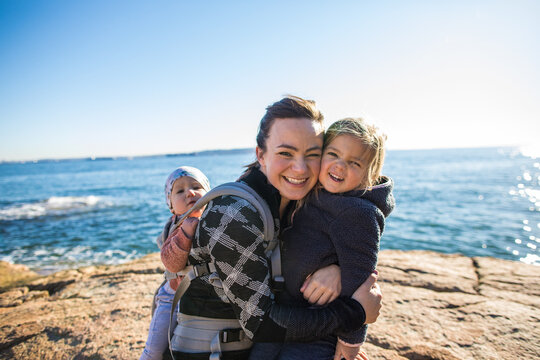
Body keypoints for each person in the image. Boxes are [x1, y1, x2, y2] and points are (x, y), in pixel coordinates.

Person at [169, 96, 383, 360]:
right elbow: (263, 324)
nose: (301, 168)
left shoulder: (297, 197)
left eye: (313, 154)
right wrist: (355, 313)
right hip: (211, 351)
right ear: (261, 155)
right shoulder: (234, 213)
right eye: (285, 153)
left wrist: (338, 269)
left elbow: (353, 232)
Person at [250, 118, 394, 360]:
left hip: (321, 327)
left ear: (369, 174)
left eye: (354, 163)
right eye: (333, 154)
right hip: (286, 314)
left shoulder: (359, 212)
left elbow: (362, 284)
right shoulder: (313, 189)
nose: (339, 166)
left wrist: (349, 347)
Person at [140, 166, 211, 360]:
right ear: (171, 205)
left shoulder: (215, 220)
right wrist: (186, 234)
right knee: (155, 349)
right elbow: (172, 264)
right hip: (173, 296)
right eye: (179, 191)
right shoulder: (175, 227)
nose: (190, 192)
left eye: (197, 186)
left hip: (204, 296)